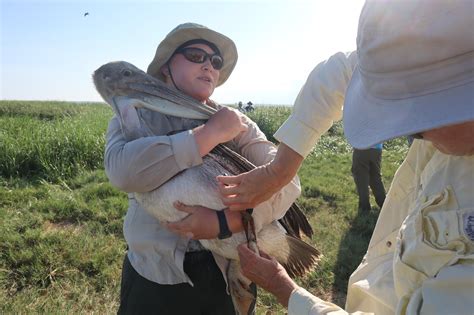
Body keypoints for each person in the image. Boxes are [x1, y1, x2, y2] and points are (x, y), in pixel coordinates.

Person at [219, 0, 474, 314]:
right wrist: (279, 171)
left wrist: (284, 290)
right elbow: (339, 72)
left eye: (418, 120)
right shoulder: (449, 52)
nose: (412, 134)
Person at [104, 23, 300, 314]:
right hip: (155, 276)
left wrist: (226, 223)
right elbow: (123, 173)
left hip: (222, 274)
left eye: (215, 61)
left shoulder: (237, 123)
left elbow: (287, 182)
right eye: (195, 55)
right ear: (166, 68)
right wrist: (207, 136)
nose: (208, 64)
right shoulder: (139, 117)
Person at [351, 143, 386, 212]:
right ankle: (384, 205)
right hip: (377, 148)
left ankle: (364, 208)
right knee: (375, 177)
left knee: (361, 179)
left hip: (362, 147)